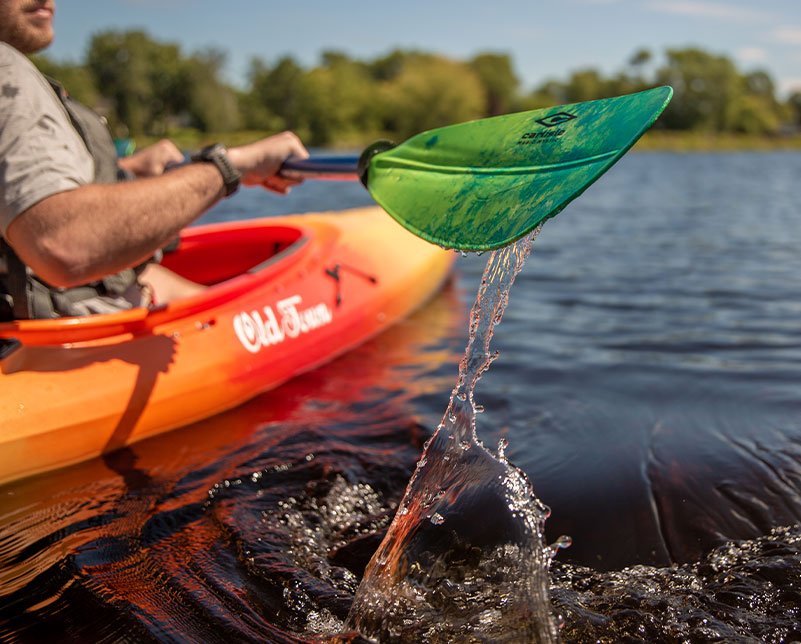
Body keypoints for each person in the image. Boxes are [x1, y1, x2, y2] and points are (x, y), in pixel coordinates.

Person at [0, 0, 309, 319]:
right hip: (56, 334)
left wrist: (123, 172)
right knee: (255, 313)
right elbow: (62, 243)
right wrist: (231, 167)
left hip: (79, 295)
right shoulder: (6, 69)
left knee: (172, 286)